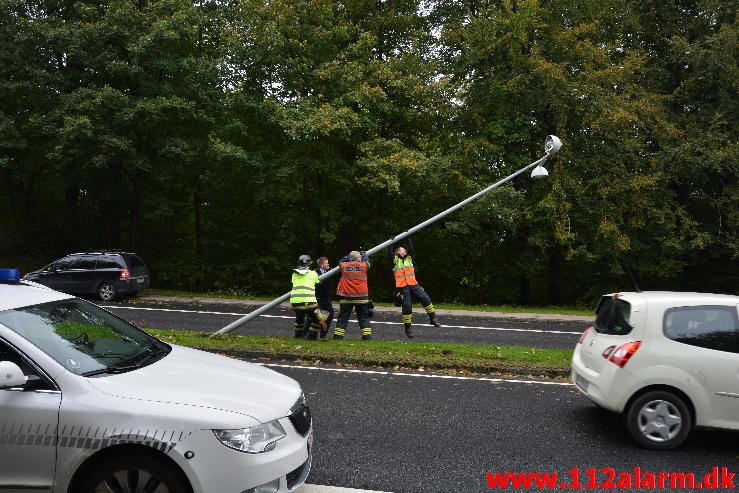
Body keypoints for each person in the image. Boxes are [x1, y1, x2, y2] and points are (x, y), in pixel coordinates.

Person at [387, 236, 441, 338]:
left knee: (425, 298)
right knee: (407, 307)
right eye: (402, 249)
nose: (404, 250)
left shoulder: (409, 257)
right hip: (403, 287)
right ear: (398, 252)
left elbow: (411, 248)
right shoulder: (395, 260)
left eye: (404, 249)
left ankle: (432, 318)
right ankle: (408, 328)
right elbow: (389, 253)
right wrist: (391, 242)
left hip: (413, 284)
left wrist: (407, 238)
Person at [333, 250, 372, 340]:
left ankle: (338, 336)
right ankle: (367, 337)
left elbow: (341, 261)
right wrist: (365, 255)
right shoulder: (363, 266)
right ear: (357, 258)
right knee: (363, 318)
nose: (360, 258)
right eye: (359, 257)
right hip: (361, 297)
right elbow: (367, 262)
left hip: (346, 297)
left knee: (343, 317)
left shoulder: (344, 266)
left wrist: (348, 257)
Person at [290, 254, 322, 340]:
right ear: (309, 264)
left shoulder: (294, 274)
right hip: (309, 303)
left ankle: (298, 335)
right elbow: (318, 282)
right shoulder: (313, 273)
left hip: (295, 303)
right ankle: (311, 337)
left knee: (300, 318)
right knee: (320, 317)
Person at [314, 256, 334, 339]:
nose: (328, 264)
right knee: (314, 317)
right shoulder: (314, 273)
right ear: (321, 265)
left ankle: (323, 335)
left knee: (327, 316)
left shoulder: (330, 271)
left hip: (326, 298)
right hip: (317, 299)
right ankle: (308, 335)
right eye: (326, 263)